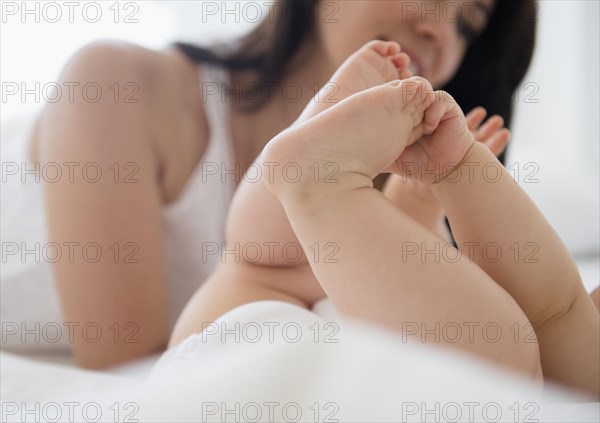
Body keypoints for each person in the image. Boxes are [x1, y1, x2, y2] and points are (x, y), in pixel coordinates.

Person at [23, 0, 538, 368]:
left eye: (469, 23)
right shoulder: (114, 85)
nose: (442, 32)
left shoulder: (407, 180)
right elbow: (125, 372)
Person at [169, 40, 600, 396]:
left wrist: (447, 179)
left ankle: (325, 180)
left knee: (508, 363)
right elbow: (553, 310)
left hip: (228, 355)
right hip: (250, 348)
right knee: (540, 338)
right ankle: (326, 183)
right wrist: (444, 181)